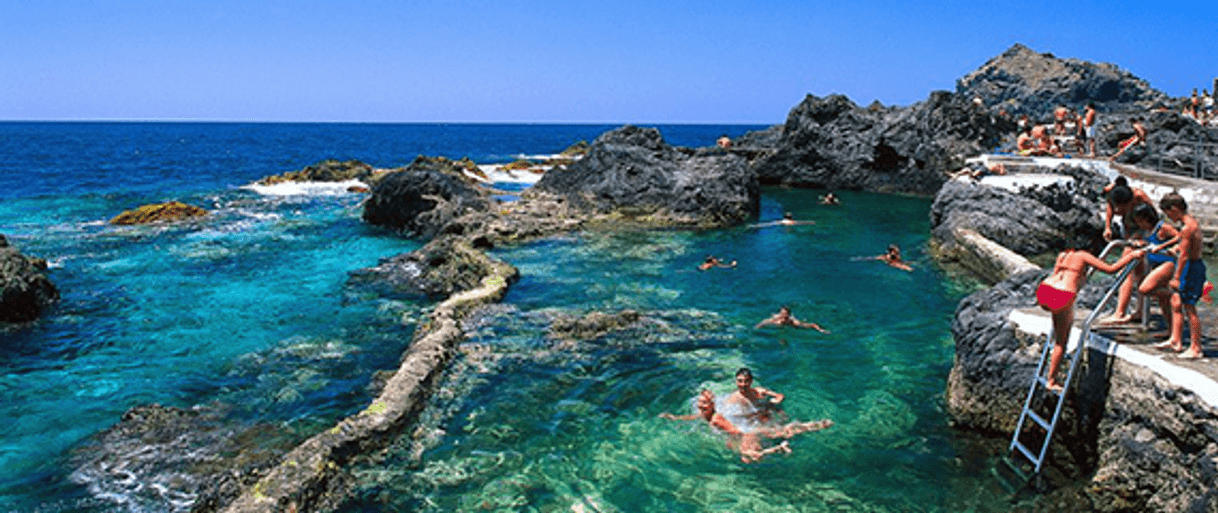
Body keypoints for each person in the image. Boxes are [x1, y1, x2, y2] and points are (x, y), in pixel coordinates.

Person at [1037, 245, 1147, 391]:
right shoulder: (1083, 255)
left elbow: (1058, 272)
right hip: (1062, 295)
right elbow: (1111, 269)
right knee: (1061, 342)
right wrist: (1131, 256)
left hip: (1045, 290)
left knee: (1057, 333)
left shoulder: (1063, 254)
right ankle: (1052, 381)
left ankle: (1049, 374)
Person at [660, 389, 834, 463]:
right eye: (700, 402)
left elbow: (738, 432)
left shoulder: (716, 419)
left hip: (746, 433)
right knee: (780, 431)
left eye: (704, 404)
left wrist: (743, 443)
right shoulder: (706, 414)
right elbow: (695, 416)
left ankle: (784, 446)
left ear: (712, 405)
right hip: (742, 430)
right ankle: (811, 427)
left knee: (751, 456)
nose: (700, 406)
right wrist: (675, 417)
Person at [1101, 204, 1179, 326]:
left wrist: (1167, 247)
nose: (1139, 224)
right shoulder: (1144, 231)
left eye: (1140, 221)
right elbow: (1134, 238)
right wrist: (1136, 242)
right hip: (1152, 262)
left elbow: (1180, 237)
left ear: (1147, 218)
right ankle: (1138, 311)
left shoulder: (1162, 228)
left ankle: (1179, 295)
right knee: (1131, 255)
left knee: (1150, 290)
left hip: (1165, 263)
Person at [1156, 193, 1208, 359]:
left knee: (1190, 307)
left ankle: (1196, 347)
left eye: (1168, 213)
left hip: (1192, 268)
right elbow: (1184, 245)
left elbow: (1185, 255)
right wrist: (1171, 248)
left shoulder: (1187, 227)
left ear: (1175, 209)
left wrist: (1177, 277)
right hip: (1193, 265)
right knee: (1176, 301)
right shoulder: (1192, 223)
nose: (1168, 218)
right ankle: (1175, 340)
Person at [755, 305, 830, 333]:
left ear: (788, 315)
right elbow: (763, 323)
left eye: (785, 315)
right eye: (782, 314)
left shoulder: (792, 322)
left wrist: (821, 330)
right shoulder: (775, 320)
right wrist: (757, 327)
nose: (783, 317)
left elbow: (813, 325)